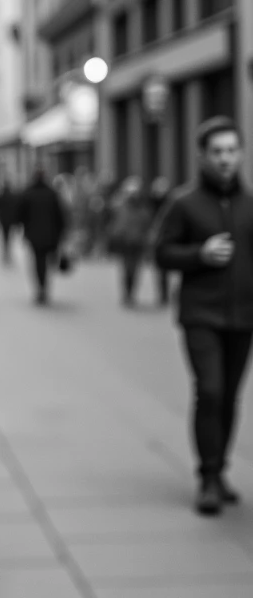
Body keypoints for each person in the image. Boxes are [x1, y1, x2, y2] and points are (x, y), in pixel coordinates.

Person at [154, 117, 253, 516]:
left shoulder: (250, 204)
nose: (225, 159)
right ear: (203, 156)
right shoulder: (184, 203)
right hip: (201, 315)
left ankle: (221, 469)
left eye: (232, 150)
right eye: (218, 152)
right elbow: (161, 252)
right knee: (209, 390)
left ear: (241, 153)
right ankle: (207, 477)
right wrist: (200, 254)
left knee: (229, 396)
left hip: (244, 317)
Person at [18, 167, 67, 305]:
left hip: (34, 234)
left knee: (38, 261)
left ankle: (41, 287)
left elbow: (21, 215)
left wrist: (25, 228)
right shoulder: (51, 194)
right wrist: (61, 232)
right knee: (46, 260)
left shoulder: (28, 193)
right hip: (51, 234)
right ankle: (44, 286)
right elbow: (60, 216)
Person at [108, 176, 152, 306]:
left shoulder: (144, 209)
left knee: (135, 270)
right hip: (125, 243)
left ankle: (131, 293)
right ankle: (127, 293)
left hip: (137, 243)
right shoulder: (120, 206)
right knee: (126, 269)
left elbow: (147, 225)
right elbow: (115, 223)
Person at [148, 175, 173, 305]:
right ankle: (162, 294)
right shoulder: (150, 202)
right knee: (158, 268)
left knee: (166, 269)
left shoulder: (171, 203)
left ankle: (166, 294)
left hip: (167, 239)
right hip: (155, 239)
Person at [0, 180, 20, 265]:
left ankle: (5, 254)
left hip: (3, 220)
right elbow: (17, 208)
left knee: (4, 237)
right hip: (11, 220)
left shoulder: (1, 196)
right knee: (9, 237)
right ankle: (8, 254)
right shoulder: (13, 196)